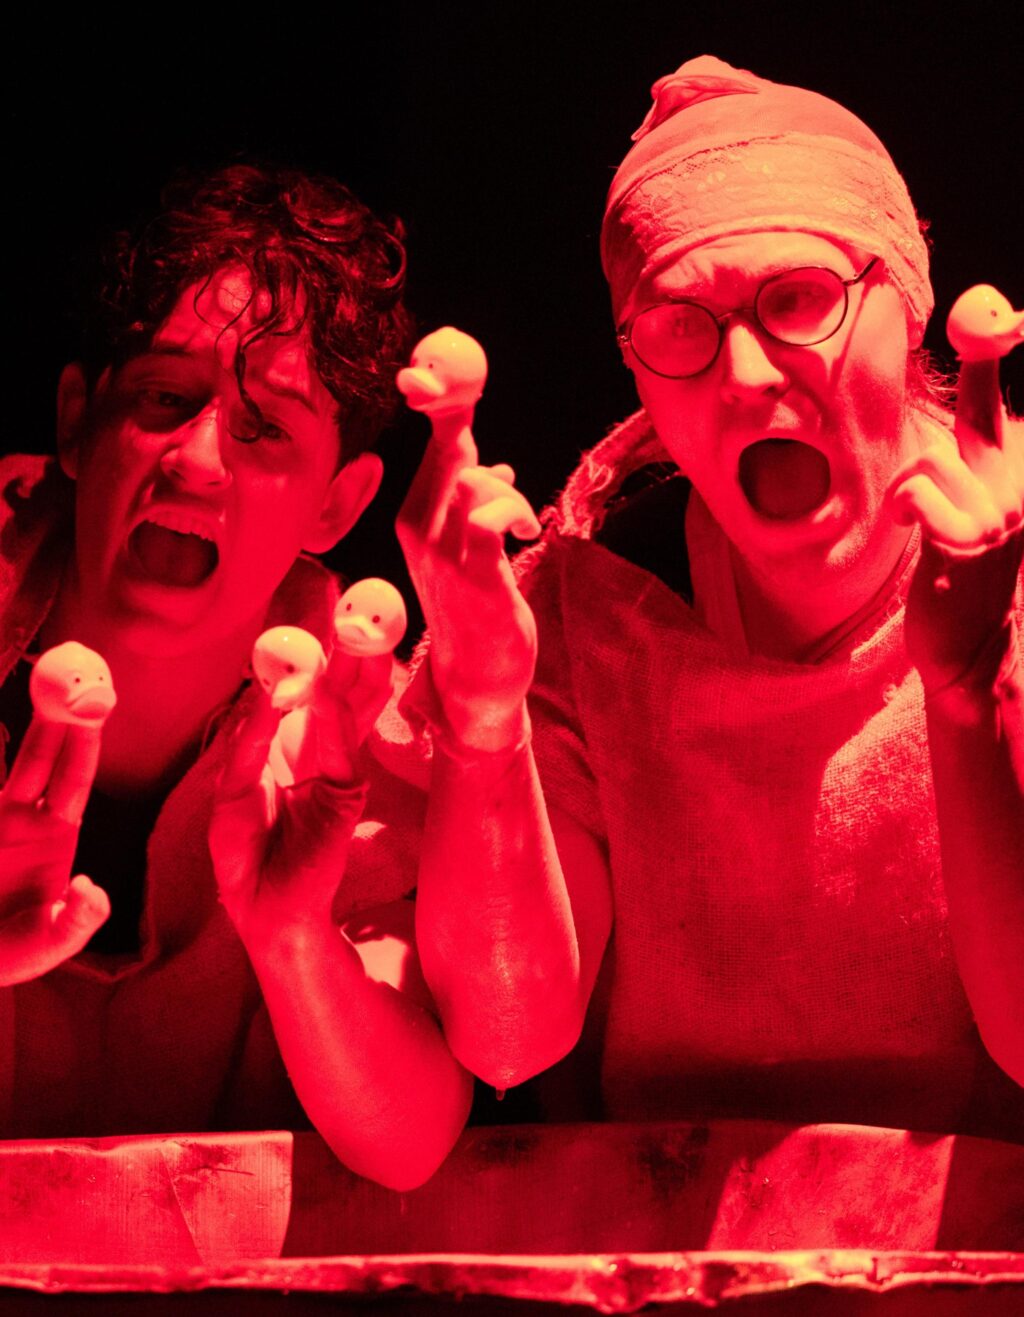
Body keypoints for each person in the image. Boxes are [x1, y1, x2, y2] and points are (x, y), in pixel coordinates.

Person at [392, 58, 1024, 1139]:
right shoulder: (595, 605)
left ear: (907, 302)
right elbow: (507, 1041)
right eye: (681, 323)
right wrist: (483, 719)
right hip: (665, 1228)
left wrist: (970, 695)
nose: (745, 374)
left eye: (798, 297)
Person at [0, 164, 472, 1189]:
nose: (201, 460)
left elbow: (412, 1143)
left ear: (338, 504)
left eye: (266, 428)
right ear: (78, 419)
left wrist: (294, 936)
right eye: (166, 398)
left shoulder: (356, 737)